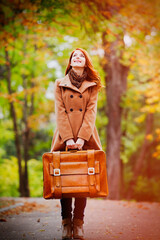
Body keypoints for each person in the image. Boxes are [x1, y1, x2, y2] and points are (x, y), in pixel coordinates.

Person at [50, 48, 102, 240]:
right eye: (74, 56)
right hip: (64, 137)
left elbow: (91, 112)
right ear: (70, 62)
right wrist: (69, 138)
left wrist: (81, 138)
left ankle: (78, 224)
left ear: (85, 61)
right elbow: (60, 112)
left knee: (82, 180)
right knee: (64, 179)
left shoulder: (93, 85)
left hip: (86, 137)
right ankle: (66, 223)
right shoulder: (59, 84)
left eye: (81, 55)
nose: (77, 57)